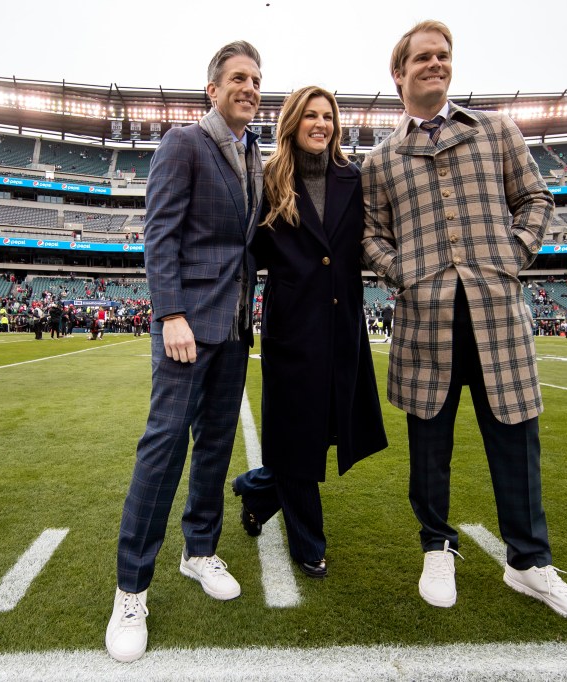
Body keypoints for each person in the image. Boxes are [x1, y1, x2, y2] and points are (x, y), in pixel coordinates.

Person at [362, 20, 567, 628]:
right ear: (399, 72)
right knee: (430, 449)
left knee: (516, 443)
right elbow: (369, 235)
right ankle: (436, 545)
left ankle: (529, 561)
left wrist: (512, 255)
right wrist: (404, 274)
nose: (436, 64)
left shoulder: (496, 130)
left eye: (443, 56)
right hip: (425, 321)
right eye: (422, 57)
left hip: (497, 316)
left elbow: (536, 199)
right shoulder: (383, 158)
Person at [106, 40, 264, 663]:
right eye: (238, 79)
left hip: (231, 331)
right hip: (185, 327)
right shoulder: (184, 143)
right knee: (165, 446)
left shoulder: (255, 154)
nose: (249, 88)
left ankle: (199, 550)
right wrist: (170, 312)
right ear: (212, 89)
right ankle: (130, 588)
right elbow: (160, 232)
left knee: (216, 446)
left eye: (256, 79)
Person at [231, 86, 387, 579]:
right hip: (292, 327)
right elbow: (248, 248)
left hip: (342, 326)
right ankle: (308, 542)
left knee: (323, 434)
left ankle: (257, 492)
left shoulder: (353, 177)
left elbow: (362, 242)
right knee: (298, 437)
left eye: (328, 116)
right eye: (311, 116)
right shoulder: (268, 176)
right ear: (294, 121)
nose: (321, 124)